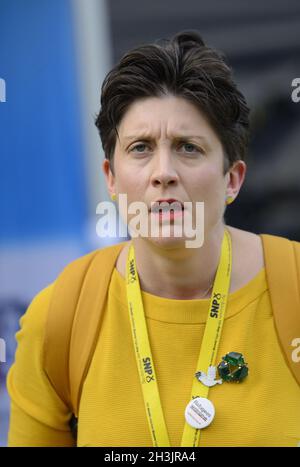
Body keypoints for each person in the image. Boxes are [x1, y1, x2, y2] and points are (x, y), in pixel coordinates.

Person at [6, 30, 300, 447]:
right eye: (141, 147)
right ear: (111, 177)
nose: (164, 172)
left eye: (188, 147)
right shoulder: (62, 316)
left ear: (232, 179)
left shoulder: (295, 288)